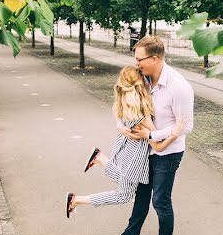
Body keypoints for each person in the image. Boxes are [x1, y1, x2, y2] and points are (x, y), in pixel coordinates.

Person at [104, 35, 194, 235]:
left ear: (154, 58)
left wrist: (152, 136)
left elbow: (186, 126)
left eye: (139, 59)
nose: (136, 64)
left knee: (160, 201)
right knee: (141, 195)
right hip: (145, 149)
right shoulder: (142, 78)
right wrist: (122, 127)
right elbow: (122, 104)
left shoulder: (179, 86)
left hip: (168, 153)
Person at [66, 66, 184, 215]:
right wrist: (174, 134)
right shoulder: (142, 116)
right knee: (124, 195)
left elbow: (117, 114)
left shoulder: (123, 104)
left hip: (125, 152)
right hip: (134, 160)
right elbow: (158, 147)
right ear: (141, 86)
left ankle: (99, 158)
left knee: (126, 185)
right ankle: (76, 199)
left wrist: (120, 126)